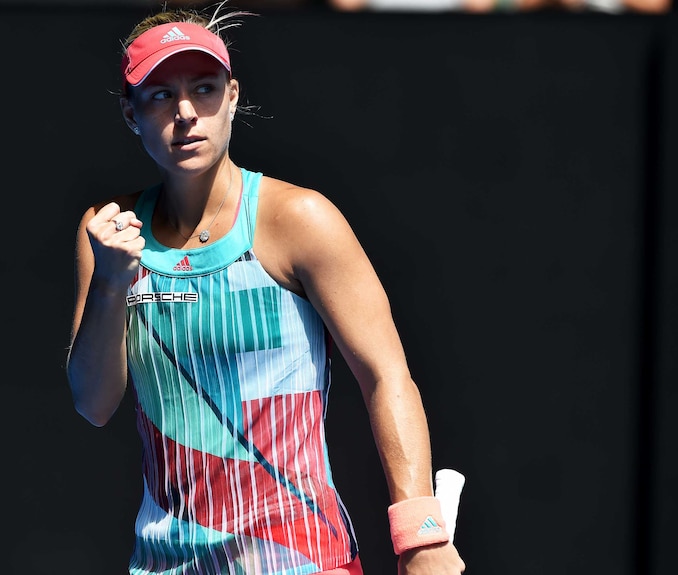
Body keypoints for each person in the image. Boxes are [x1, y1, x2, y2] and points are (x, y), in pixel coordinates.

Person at [66, 4, 466, 574]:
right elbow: (94, 404)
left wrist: (421, 536)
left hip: (303, 560)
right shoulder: (110, 232)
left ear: (232, 97)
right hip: (162, 564)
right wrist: (110, 283)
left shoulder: (301, 219)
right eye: (159, 95)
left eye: (203, 89)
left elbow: (386, 376)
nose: (185, 113)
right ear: (131, 115)